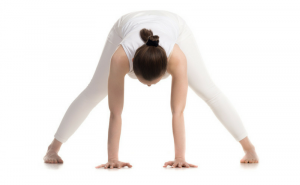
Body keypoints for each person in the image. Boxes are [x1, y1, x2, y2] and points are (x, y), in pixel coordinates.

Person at [43, 10, 259, 168]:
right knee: (95, 91)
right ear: (132, 68)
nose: (148, 87)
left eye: (153, 83)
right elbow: (115, 113)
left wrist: (180, 158)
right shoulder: (120, 58)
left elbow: (178, 112)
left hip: (173, 24)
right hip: (125, 26)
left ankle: (249, 147)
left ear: (166, 69)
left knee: (206, 89)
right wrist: (112, 159)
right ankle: (53, 148)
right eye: (143, 81)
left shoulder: (177, 58)